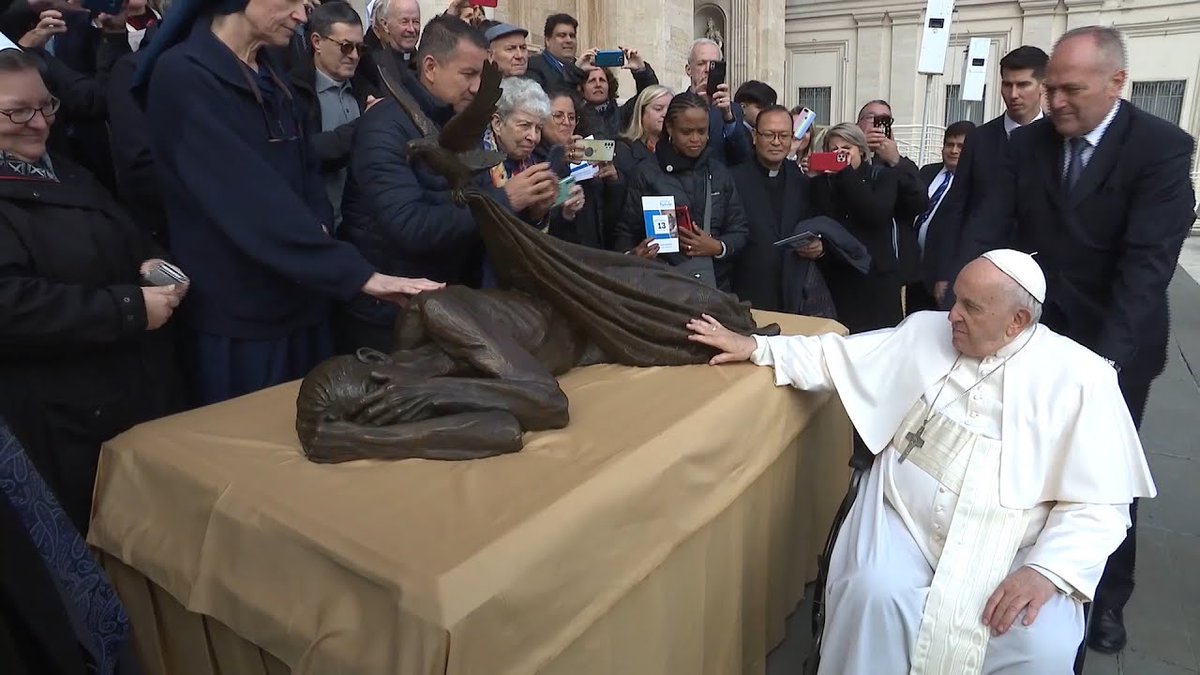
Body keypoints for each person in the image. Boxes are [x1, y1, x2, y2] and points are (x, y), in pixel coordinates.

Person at [688, 249, 1156, 675]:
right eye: (956, 298)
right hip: (904, 524)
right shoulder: (924, 332)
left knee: (1041, 644)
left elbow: (1102, 504)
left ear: (1017, 321)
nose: (951, 314)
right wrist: (759, 347)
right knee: (874, 594)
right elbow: (837, 358)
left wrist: (1047, 571)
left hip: (1018, 544)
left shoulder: (1082, 378)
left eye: (971, 308)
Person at [957, 26, 1197, 654]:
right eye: (1051, 87)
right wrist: (965, 293)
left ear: (1117, 83)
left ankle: (1106, 597)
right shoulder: (1029, 145)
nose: (1054, 100)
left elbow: (1146, 268)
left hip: (1114, 342)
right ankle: (1018, 569)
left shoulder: (1162, 150)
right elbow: (992, 222)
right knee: (1023, 457)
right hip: (1031, 332)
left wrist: (1099, 368)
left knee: (1100, 475)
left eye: (1070, 89)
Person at [133, 0, 443, 406]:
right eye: (291, 1)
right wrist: (358, 275)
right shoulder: (183, 76)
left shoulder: (271, 71)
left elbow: (305, 169)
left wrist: (321, 236)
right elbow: (246, 195)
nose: (301, 16)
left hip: (303, 296)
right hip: (243, 314)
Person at [0, 47, 184, 531]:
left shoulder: (63, 169)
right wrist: (128, 307)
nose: (38, 122)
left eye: (47, 106)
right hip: (63, 422)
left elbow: (120, 229)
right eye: (17, 111)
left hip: (123, 393)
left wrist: (149, 260)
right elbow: (11, 306)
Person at [338, 16, 551, 353]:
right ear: (431, 67)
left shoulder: (461, 125)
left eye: (483, 75)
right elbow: (411, 226)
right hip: (390, 315)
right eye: (468, 74)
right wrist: (505, 200)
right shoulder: (384, 129)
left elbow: (476, 211)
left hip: (450, 303)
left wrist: (534, 210)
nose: (477, 87)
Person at [933, 46, 1049, 305]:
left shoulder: (1056, 139)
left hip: (1032, 272)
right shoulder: (979, 138)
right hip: (975, 263)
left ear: (1043, 84)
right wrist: (944, 272)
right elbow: (957, 205)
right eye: (1007, 84)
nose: (1013, 94)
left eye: (1023, 84)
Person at [615, 92, 749, 292]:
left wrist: (718, 247)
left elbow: (739, 231)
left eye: (702, 131)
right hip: (661, 287)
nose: (695, 139)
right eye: (686, 132)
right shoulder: (646, 173)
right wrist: (635, 254)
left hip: (713, 287)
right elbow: (626, 231)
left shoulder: (719, 173)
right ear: (670, 128)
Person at [809, 123, 913, 332]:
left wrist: (846, 174)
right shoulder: (820, 185)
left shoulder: (883, 177)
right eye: (834, 151)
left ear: (861, 151)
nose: (840, 155)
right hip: (839, 279)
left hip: (876, 280)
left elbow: (875, 214)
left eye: (846, 150)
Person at [289, 1, 371, 232]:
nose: (354, 56)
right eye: (346, 47)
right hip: (317, 227)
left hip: (363, 230)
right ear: (317, 42)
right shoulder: (293, 93)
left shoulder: (367, 91)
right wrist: (367, 125)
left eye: (360, 48)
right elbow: (308, 153)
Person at [730, 104, 817, 311]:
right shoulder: (732, 179)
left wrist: (818, 246)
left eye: (784, 135)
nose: (776, 142)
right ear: (754, 136)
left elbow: (813, 225)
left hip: (792, 291)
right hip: (745, 292)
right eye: (769, 134)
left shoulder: (802, 181)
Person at [542, 89, 623, 249]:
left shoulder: (584, 151)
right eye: (558, 115)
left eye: (572, 117)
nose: (567, 122)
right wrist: (561, 158)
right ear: (542, 118)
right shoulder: (532, 155)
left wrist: (613, 181)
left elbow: (606, 216)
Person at [908, 120, 975, 314]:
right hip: (916, 270)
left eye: (960, 146)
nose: (953, 151)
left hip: (943, 275)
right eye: (949, 144)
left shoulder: (975, 183)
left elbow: (962, 233)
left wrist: (946, 275)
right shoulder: (928, 172)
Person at [682, 37, 751, 165]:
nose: (707, 69)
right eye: (701, 63)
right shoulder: (677, 104)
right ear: (688, 69)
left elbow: (743, 155)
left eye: (713, 64)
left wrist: (728, 118)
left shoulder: (733, 110)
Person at [576, 45, 658, 138]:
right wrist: (575, 71)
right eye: (592, 81)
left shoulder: (622, 115)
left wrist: (641, 72)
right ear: (582, 88)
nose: (598, 84)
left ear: (609, 85)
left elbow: (650, 95)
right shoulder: (575, 116)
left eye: (602, 80)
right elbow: (561, 94)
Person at [613, 83, 672, 180]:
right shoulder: (624, 149)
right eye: (658, 109)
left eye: (670, 110)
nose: (665, 114)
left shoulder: (677, 148)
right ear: (641, 112)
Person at [525, 12, 584, 92]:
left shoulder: (579, 67)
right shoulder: (533, 66)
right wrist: (575, 70)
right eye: (562, 35)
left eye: (572, 36)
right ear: (547, 41)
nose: (569, 40)